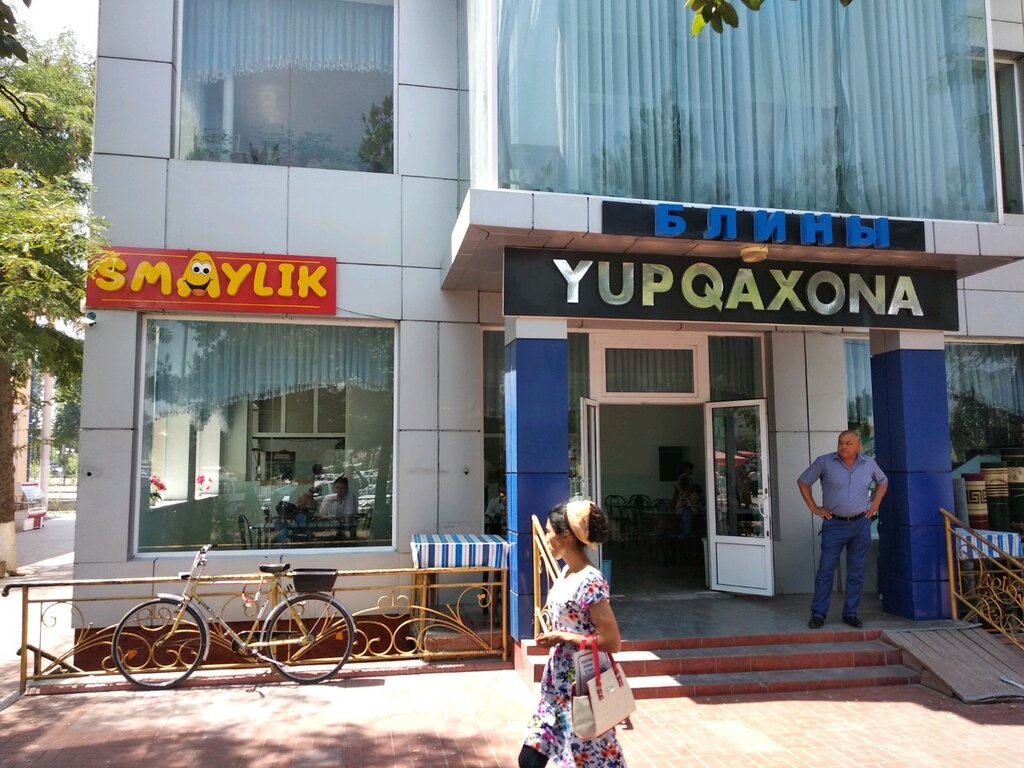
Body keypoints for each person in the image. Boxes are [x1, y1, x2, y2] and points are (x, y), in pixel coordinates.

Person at [520, 500, 627, 768]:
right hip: (557, 687)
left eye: (548, 531)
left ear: (566, 537)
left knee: (587, 758)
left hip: (581, 687)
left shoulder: (590, 580)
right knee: (529, 758)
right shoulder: (566, 571)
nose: (545, 538)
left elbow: (612, 641)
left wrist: (563, 637)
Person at [798, 429, 888, 629]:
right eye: (840, 442)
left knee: (856, 572)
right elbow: (803, 482)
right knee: (825, 570)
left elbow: (883, 481)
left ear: (858, 445)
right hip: (834, 525)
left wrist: (875, 503)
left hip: (861, 524)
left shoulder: (869, 463)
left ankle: (850, 613)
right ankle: (818, 614)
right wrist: (815, 508)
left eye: (848, 443)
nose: (843, 446)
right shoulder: (824, 462)